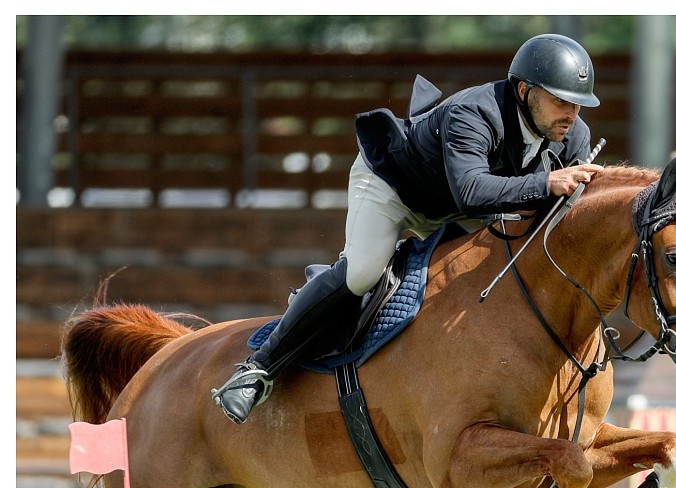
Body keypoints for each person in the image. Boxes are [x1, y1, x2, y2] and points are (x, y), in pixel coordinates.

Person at [212, 33, 604, 424]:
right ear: (524, 90)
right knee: (364, 272)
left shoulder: (572, 135)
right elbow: (471, 192)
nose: (571, 114)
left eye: (577, 105)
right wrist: (547, 184)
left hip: (448, 210)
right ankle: (256, 370)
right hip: (394, 188)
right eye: (561, 102)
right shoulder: (474, 112)